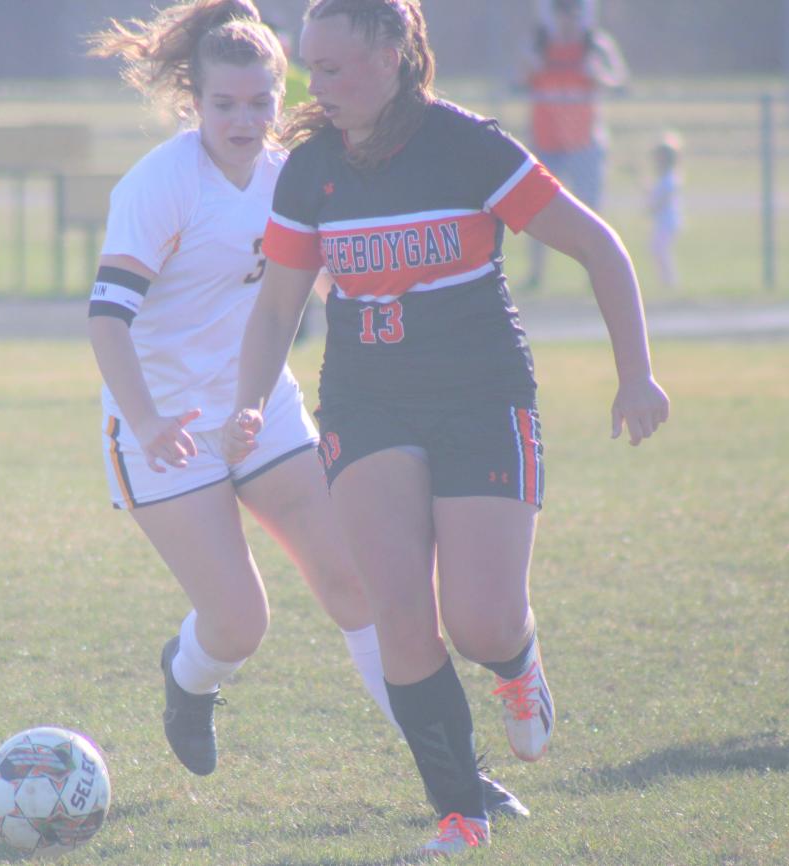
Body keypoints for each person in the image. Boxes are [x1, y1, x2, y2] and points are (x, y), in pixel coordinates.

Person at [221, 0, 669, 857]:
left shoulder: (469, 146)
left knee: (481, 622)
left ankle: (516, 663)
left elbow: (601, 248)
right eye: (312, 66)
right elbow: (278, 301)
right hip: (368, 400)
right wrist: (249, 400)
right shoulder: (309, 170)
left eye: (339, 66)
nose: (321, 85)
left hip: (480, 396)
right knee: (398, 611)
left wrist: (636, 373)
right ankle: (461, 814)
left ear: (395, 54)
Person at [85, 0, 527, 821]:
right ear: (194, 100)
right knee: (238, 624)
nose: (247, 119)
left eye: (262, 100)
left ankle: (459, 782)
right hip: (161, 428)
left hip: (260, 410)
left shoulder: (293, 172)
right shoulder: (158, 185)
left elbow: (325, 281)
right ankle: (187, 679)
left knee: (358, 584)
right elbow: (106, 318)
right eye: (226, 104)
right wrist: (145, 423)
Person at [521, 0, 628, 290]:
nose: (568, 21)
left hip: (584, 143)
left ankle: (596, 275)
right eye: (562, 15)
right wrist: (529, 67)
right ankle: (536, 274)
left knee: (591, 212)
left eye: (573, 15)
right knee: (536, 210)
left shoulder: (595, 45)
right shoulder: (539, 44)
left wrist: (599, 75)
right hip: (547, 141)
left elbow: (620, 82)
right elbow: (518, 80)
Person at [649, 131, 683, 289]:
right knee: (657, 250)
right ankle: (666, 281)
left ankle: (670, 282)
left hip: (668, 222)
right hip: (663, 222)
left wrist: (653, 207)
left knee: (660, 250)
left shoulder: (671, 178)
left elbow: (661, 199)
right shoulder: (663, 178)